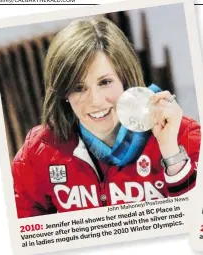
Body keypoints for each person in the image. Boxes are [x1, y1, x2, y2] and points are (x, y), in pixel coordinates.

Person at [12, 16, 201, 218]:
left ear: (125, 79)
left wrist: (172, 156)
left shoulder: (182, 135)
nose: (95, 100)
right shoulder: (39, 151)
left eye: (105, 82)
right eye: (78, 88)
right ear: (63, 94)